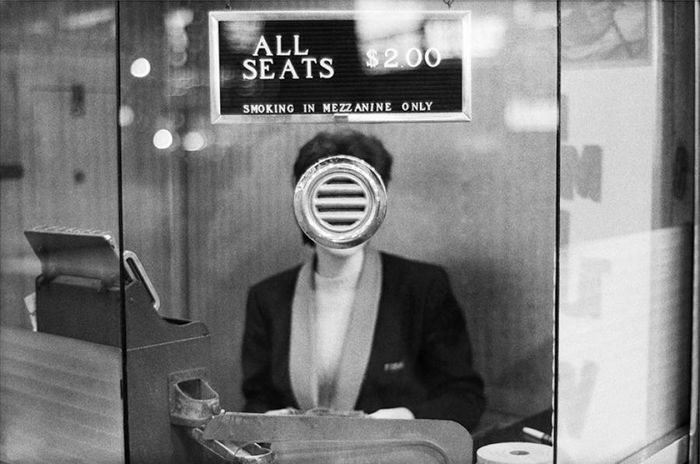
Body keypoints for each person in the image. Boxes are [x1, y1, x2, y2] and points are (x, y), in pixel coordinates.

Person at [241, 129, 485, 431]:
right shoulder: (267, 298)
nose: (343, 206)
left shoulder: (422, 289)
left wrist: (405, 419)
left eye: (357, 193)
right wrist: (265, 421)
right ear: (302, 199)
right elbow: (256, 401)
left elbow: (464, 399)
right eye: (330, 192)